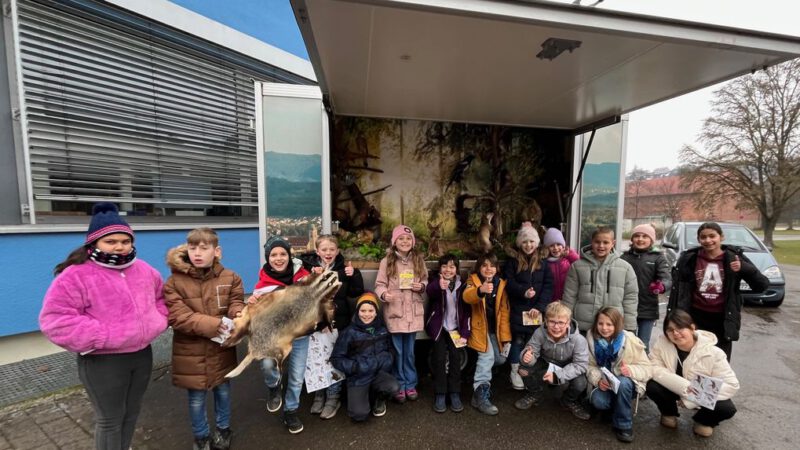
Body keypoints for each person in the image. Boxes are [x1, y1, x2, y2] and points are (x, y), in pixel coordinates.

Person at [39, 202, 168, 450]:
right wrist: (101, 336)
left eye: (125, 240)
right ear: (94, 243)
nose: (119, 246)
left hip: (141, 355)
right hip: (103, 361)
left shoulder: (144, 270)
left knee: (132, 413)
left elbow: (161, 299)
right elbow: (55, 320)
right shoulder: (77, 275)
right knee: (110, 420)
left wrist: (157, 321)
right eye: (111, 241)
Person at [164, 228, 245, 450]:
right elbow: (178, 316)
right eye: (192, 248)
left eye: (204, 248)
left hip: (222, 349)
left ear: (216, 251)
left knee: (223, 392)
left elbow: (236, 301)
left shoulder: (231, 277)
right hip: (191, 351)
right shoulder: (173, 282)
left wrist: (238, 314)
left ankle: (223, 429)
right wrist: (215, 325)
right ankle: (201, 436)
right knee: (196, 398)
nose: (197, 253)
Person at [667, 222, 768, 361]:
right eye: (703, 237)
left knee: (719, 361)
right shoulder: (689, 258)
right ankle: (690, 383)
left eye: (712, 236)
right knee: (691, 358)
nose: (708, 240)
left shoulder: (734, 257)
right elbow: (677, 290)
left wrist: (745, 268)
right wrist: (672, 316)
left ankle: (714, 383)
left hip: (722, 319)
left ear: (721, 237)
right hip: (694, 317)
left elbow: (761, 286)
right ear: (698, 240)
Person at [299, 234, 364, 419]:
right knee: (317, 360)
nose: (328, 253)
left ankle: (333, 397)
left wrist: (355, 275)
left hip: (338, 322)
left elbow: (355, 292)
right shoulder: (307, 267)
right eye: (324, 249)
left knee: (334, 358)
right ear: (317, 251)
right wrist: (312, 275)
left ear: (337, 251)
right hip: (315, 323)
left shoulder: (345, 268)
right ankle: (319, 394)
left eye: (332, 249)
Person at [250, 235, 310, 434]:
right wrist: (253, 307)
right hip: (274, 337)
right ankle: (273, 385)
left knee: (296, 377)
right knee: (267, 365)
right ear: (268, 258)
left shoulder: (304, 277)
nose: (278, 258)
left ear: (289, 255)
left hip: (300, 335)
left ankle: (291, 411)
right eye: (273, 254)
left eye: (282, 253)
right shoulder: (261, 286)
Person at [647, 310, 739, 438]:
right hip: (674, 389)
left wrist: (693, 398)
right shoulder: (662, 343)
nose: (675, 333)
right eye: (670, 330)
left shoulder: (714, 352)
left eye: (680, 328)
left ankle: (703, 421)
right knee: (652, 386)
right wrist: (685, 387)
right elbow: (653, 367)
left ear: (692, 328)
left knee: (726, 408)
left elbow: (731, 385)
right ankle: (668, 413)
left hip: (700, 394)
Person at [375, 225, 428, 403]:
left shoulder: (419, 260)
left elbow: (425, 280)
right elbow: (379, 284)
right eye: (401, 239)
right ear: (394, 242)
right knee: (397, 352)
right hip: (395, 313)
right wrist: (384, 294)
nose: (405, 242)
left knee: (410, 352)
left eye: (408, 239)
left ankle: (410, 384)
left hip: (412, 315)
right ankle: (399, 384)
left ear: (412, 242)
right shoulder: (386, 261)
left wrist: (421, 287)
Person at [514, 302, 591, 420]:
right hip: (546, 361)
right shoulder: (539, 332)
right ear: (546, 321)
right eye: (552, 322)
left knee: (580, 383)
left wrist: (558, 375)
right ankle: (535, 393)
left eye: (561, 322)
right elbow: (531, 350)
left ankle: (568, 401)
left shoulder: (579, 340)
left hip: (567, 365)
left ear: (568, 322)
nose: (556, 327)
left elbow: (580, 365)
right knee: (523, 369)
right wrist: (527, 357)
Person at [331, 292, 401, 422]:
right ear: (357, 311)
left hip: (378, 373)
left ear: (376, 312)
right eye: (363, 310)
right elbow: (336, 358)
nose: (367, 314)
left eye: (370, 310)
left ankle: (379, 399)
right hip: (359, 376)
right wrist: (355, 367)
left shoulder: (382, 329)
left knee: (394, 387)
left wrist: (386, 360)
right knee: (359, 415)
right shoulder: (349, 332)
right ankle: (359, 395)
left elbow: (391, 349)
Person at [586, 307, 652, 443]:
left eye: (609, 324)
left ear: (617, 325)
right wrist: (598, 380)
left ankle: (624, 425)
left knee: (622, 383)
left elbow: (648, 368)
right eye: (600, 323)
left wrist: (631, 370)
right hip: (607, 384)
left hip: (626, 385)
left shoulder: (629, 340)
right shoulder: (592, 338)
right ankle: (615, 409)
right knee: (598, 401)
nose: (604, 328)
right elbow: (589, 365)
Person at [503, 221, 554, 390]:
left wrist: (539, 307)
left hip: (535, 311)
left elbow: (548, 286)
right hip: (518, 309)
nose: (528, 245)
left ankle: (528, 369)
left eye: (531, 241)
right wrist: (523, 291)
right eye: (524, 242)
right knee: (517, 340)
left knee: (533, 341)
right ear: (519, 243)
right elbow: (508, 283)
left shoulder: (543, 262)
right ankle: (515, 370)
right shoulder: (512, 261)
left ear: (537, 242)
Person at [562, 226, 639, 334]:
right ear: (591, 242)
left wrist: (630, 326)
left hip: (612, 327)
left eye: (606, 242)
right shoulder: (577, 267)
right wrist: (565, 321)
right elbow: (569, 296)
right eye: (597, 242)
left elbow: (630, 298)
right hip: (583, 327)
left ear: (613, 243)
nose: (601, 246)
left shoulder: (625, 268)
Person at [463, 253, 511, 416]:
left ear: (497, 268)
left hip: (493, 330)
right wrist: (480, 290)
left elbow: (503, 312)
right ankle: (479, 395)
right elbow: (466, 296)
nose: (488, 269)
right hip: (478, 328)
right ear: (479, 268)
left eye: (492, 265)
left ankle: (473, 373)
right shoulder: (473, 281)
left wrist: (505, 337)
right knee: (487, 356)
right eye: (484, 265)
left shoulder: (501, 284)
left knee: (501, 358)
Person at [425, 254, 471, 413]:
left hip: (456, 330)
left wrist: (465, 333)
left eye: (452, 266)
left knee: (455, 359)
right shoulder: (435, 282)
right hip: (440, 328)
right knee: (438, 360)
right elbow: (430, 292)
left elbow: (467, 312)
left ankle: (455, 393)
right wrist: (439, 286)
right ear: (440, 268)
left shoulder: (462, 285)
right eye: (444, 266)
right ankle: (440, 393)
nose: (448, 270)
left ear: (456, 269)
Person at [621, 224, 672, 353]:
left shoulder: (658, 258)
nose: (640, 239)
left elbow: (667, 278)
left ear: (652, 240)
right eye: (637, 236)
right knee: (626, 341)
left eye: (645, 236)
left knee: (643, 343)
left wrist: (662, 286)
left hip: (647, 308)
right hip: (626, 307)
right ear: (632, 239)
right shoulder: (624, 257)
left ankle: (643, 370)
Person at [542, 227, 579, 302]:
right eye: (551, 246)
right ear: (547, 248)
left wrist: (570, 253)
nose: (555, 248)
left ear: (563, 246)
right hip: (550, 300)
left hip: (566, 299)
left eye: (558, 244)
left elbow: (579, 263)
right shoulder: (545, 263)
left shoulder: (567, 260)